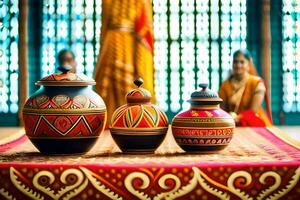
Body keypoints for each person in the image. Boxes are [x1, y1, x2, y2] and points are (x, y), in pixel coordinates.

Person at [218, 49, 272, 127]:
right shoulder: (225, 85)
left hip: (253, 123)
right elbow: (221, 109)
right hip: (230, 123)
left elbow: (253, 111)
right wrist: (229, 117)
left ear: (249, 64)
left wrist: (236, 118)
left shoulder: (257, 83)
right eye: (235, 62)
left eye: (242, 62)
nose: (238, 65)